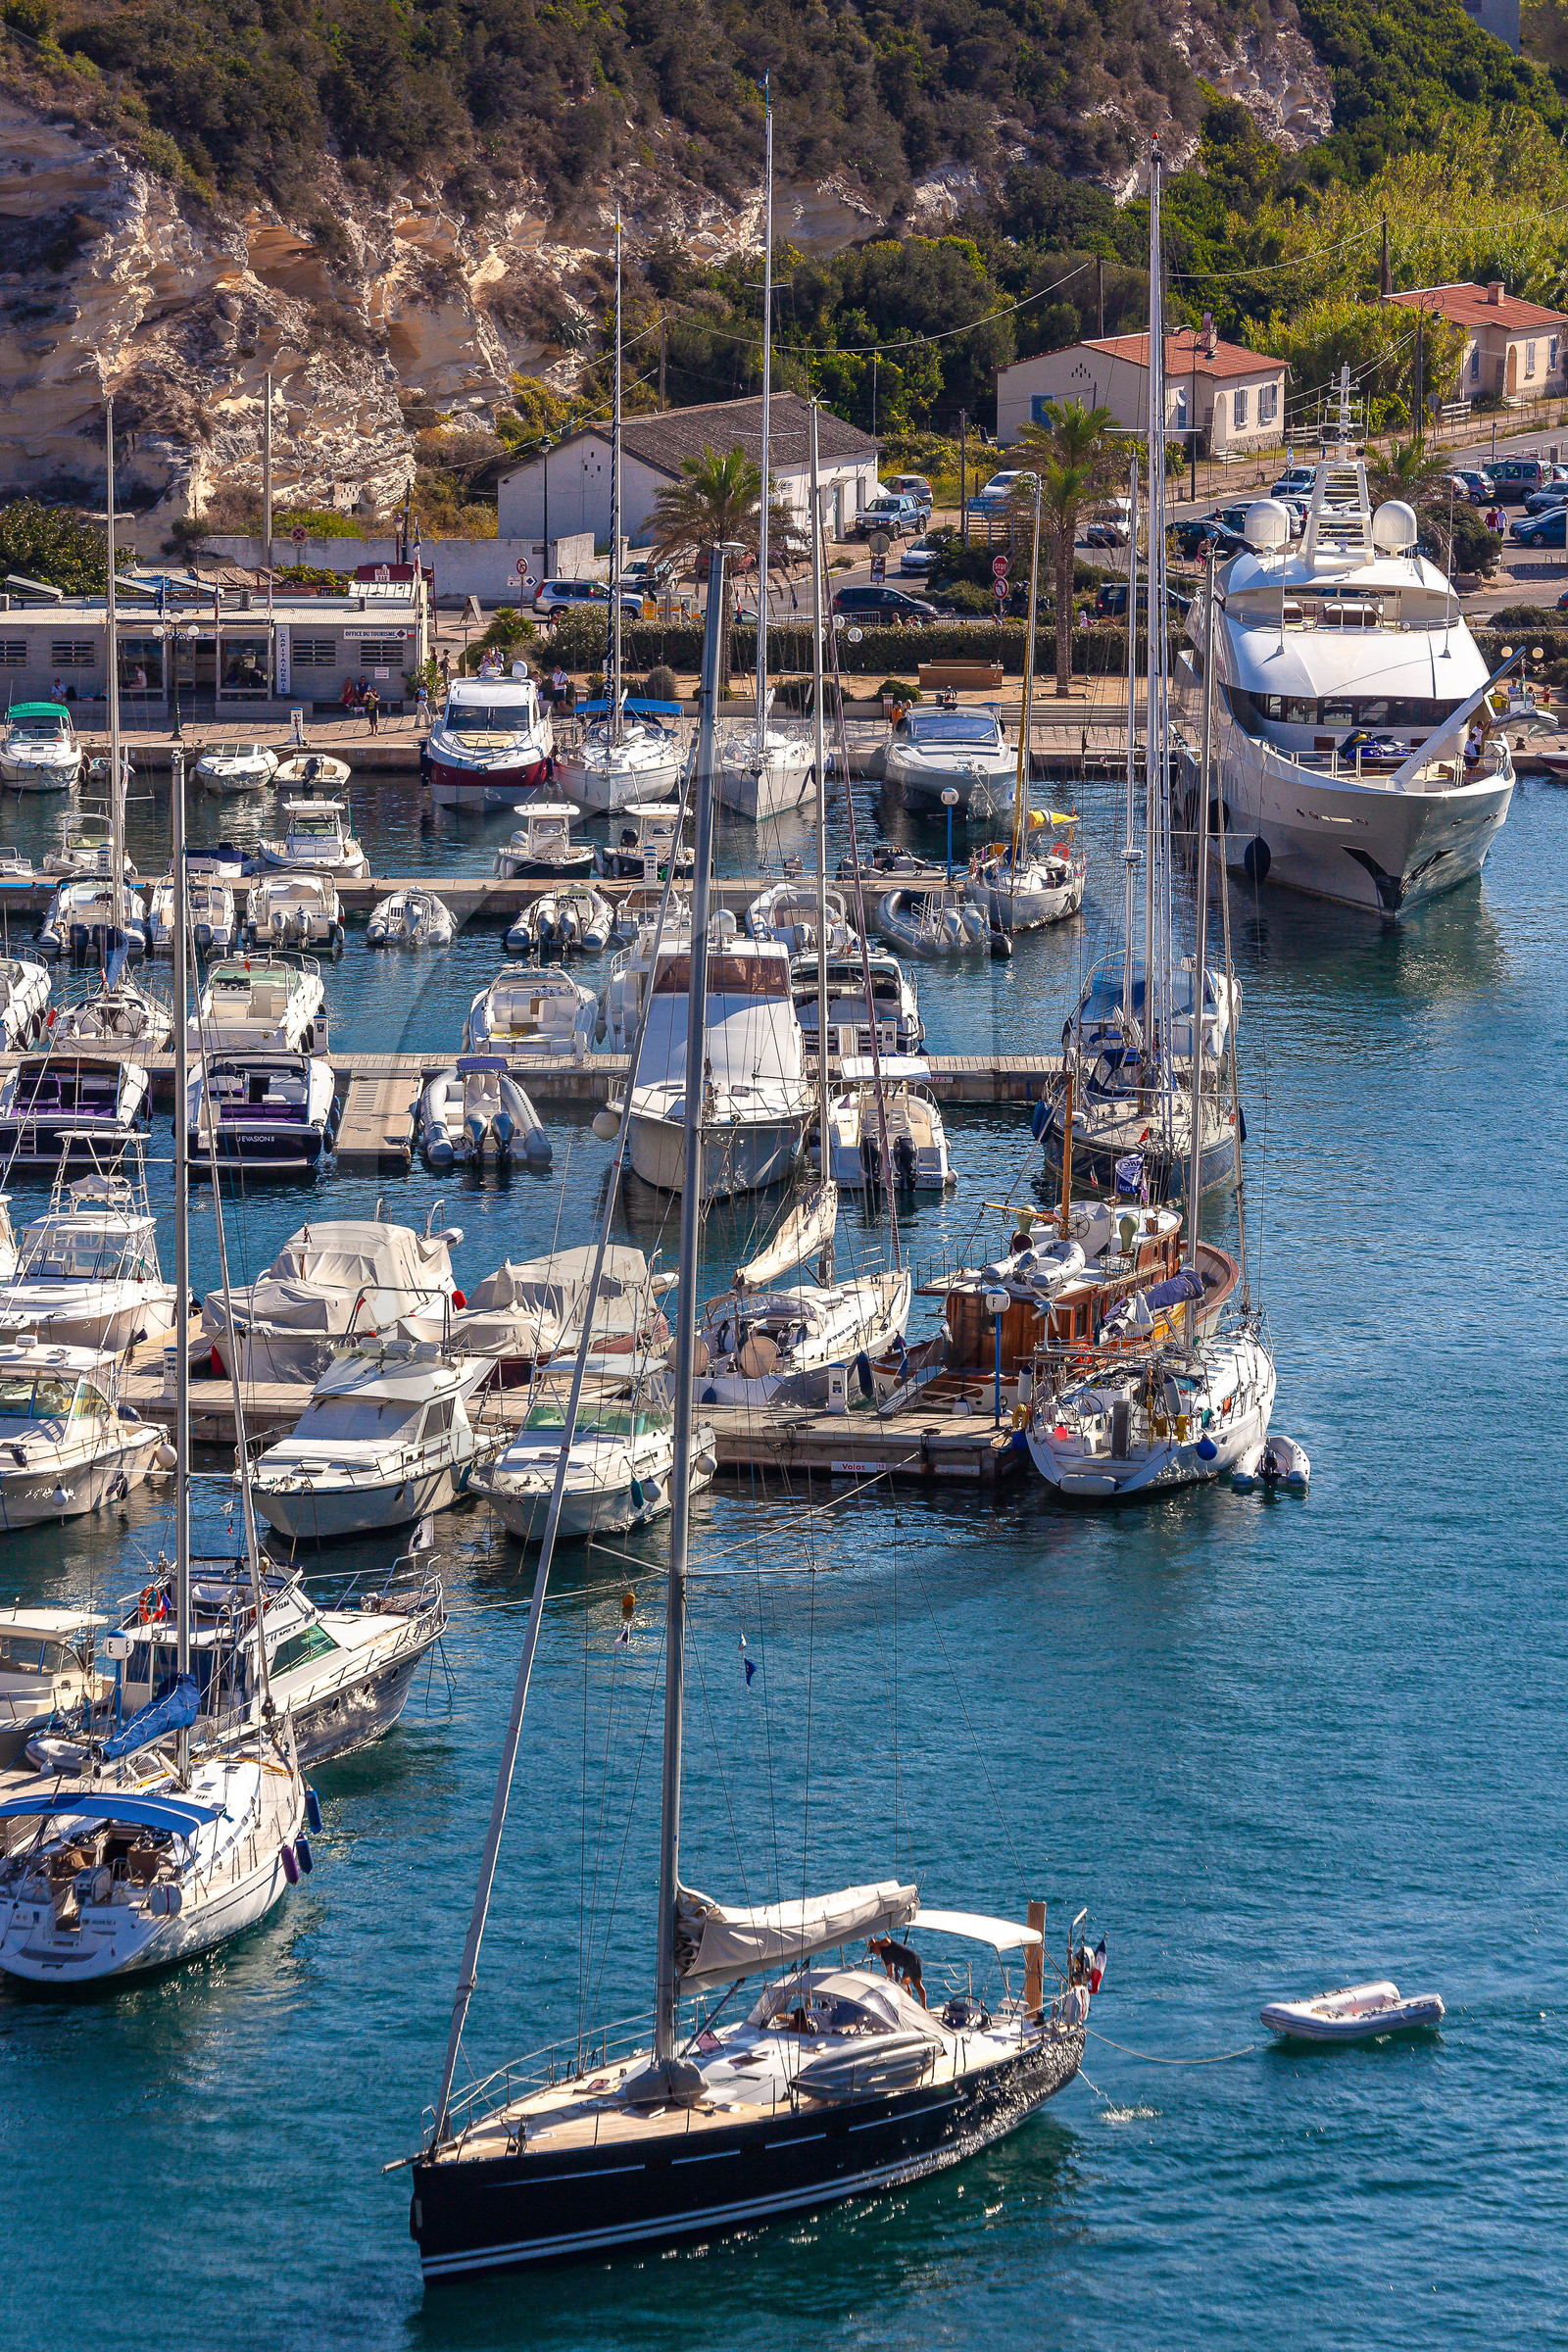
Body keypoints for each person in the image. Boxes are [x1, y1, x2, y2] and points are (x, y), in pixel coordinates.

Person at [866, 1934, 926, 2006]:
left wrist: (876, 1943)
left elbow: (887, 1941)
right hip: (906, 1964)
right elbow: (890, 1973)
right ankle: (909, 2005)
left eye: (873, 1949)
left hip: (912, 1959)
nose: (874, 1952)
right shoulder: (884, 1956)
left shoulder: (884, 1943)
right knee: (904, 1983)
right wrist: (884, 1984)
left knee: (917, 1984)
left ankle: (924, 2007)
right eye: (872, 1951)